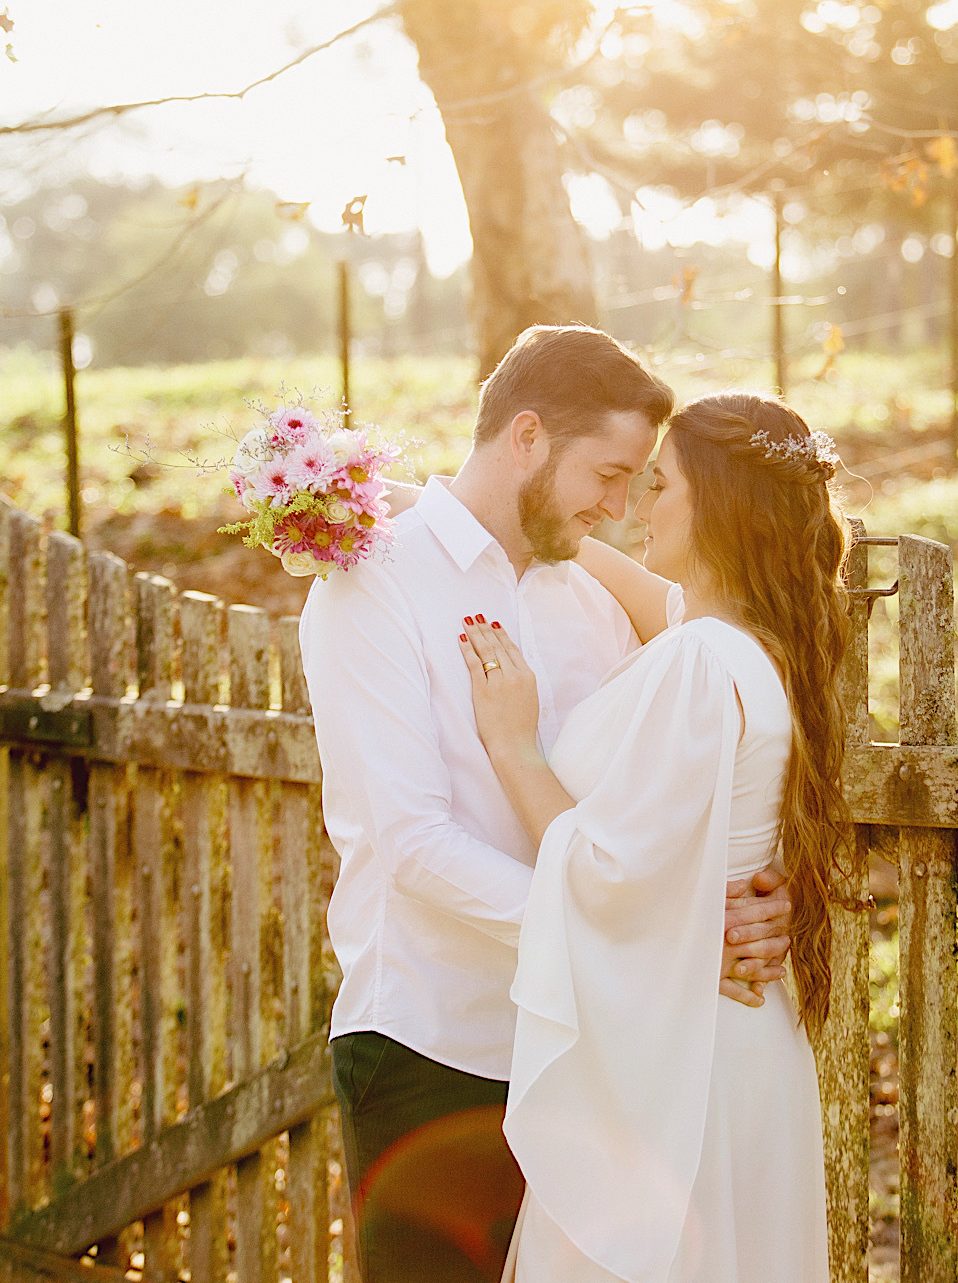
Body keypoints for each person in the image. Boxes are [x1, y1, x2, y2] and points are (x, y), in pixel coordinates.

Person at [298, 327, 793, 1283]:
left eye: (640, 481)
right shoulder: (372, 582)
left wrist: (765, 889)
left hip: (588, 1053)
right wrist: (656, 943)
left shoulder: (594, 598)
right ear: (526, 436)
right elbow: (412, 843)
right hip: (437, 1046)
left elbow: (713, 745)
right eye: (608, 474)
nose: (620, 507)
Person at [459, 392, 852, 1283]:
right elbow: (632, 577)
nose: (637, 505)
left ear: (715, 504)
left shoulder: (701, 663)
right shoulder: (755, 644)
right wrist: (432, 499)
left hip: (682, 1056)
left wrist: (515, 745)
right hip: (745, 1043)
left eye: (660, 485)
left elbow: (607, 874)